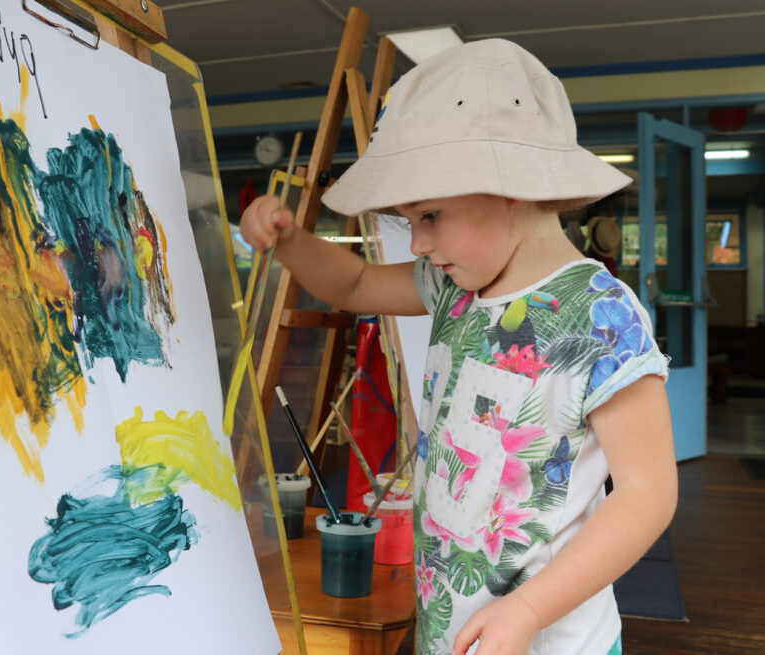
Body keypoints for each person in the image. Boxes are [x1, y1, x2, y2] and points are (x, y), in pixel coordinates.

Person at [240, 39, 677, 655]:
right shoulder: (450, 284)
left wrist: (526, 610)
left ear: (513, 186)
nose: (417, 242)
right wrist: (290, 243)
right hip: (449, 630)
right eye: (408, 220)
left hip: (549, 638)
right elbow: (357, 282)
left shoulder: (604, 316)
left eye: (430, 215)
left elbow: (647, 495)